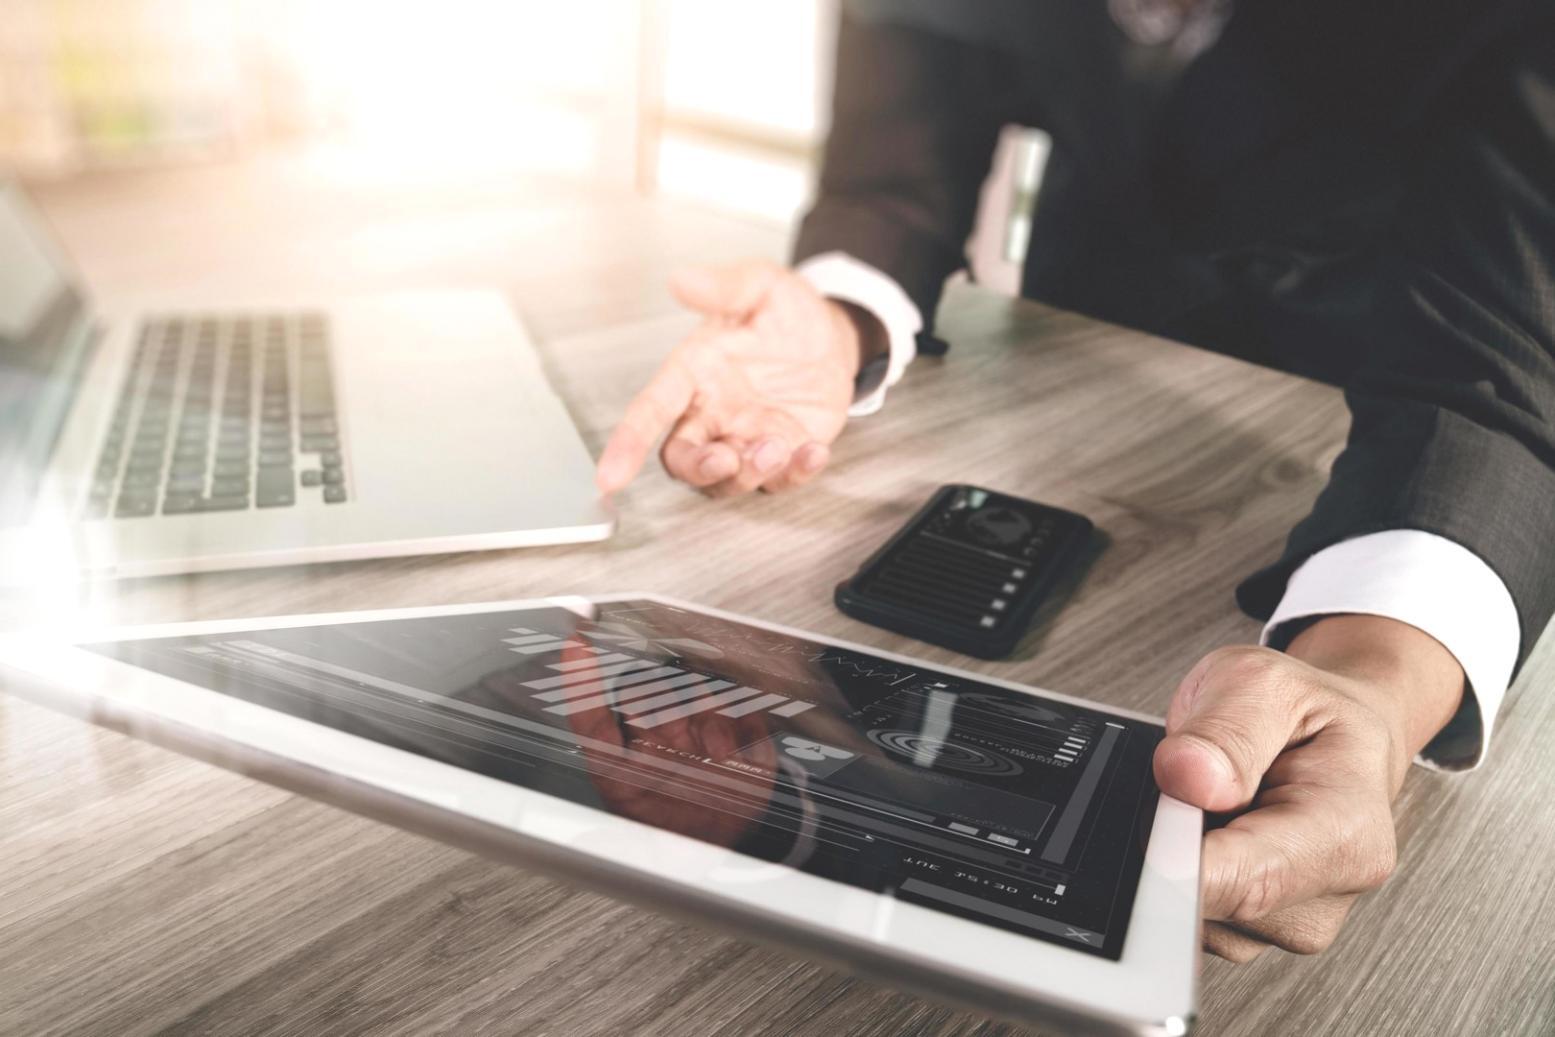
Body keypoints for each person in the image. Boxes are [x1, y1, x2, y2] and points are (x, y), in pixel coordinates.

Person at [594, 0, 1555, 961]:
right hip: (1071, 328)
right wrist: (841, 312)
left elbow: (1506, 350)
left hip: (1373, 363)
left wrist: (1374, 682)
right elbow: (895, 166)